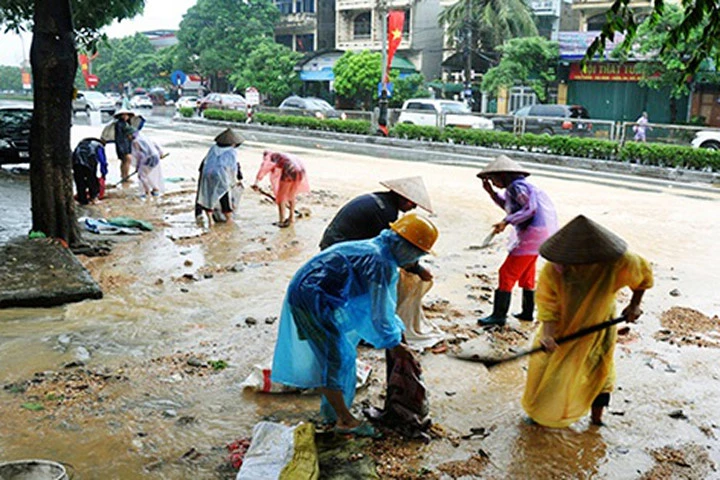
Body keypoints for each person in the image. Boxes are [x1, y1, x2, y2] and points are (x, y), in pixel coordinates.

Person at [271, 214, 438, 436]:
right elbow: (380, 314)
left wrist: (415, 268)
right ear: (405, 245)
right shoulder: (380, 262)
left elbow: (381, 308)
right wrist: (395, 344)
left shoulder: (382, 248)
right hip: (311, 299)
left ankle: (335, 410)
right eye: (417, 253)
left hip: (318, 293)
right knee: (334, 358)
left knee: (337, 353)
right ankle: (344, 420)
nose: (415, 258)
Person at [521, 215, 653, 427]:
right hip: (563, 326)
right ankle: (540, 413)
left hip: (599, 324)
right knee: (548, 369)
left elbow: (643, 277)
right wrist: (547, 334)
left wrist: (635, 304)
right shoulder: (554, 268)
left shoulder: (618, 261)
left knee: (599, 369)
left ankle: (597, 419)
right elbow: (548, 304)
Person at [319, 177, 441, 348]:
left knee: (350, 290)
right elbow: (390, 249)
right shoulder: (386, 212)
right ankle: (358, 329)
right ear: (405, 199)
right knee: (364, 291)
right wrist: (417, 269)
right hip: (339, 249)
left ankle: (344, 325)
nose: (412, 208)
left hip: (335, 245)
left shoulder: (381, 201)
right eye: (413, 204)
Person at [477, 155, 558, 326]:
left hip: (531, 234)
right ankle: (527, 312)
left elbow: (530, 209)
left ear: (502, 175)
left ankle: (499, 316)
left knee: (507, 272)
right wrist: (491, 193)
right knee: (527, 274)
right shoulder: (519, 186)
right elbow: (511, 206)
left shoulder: (516, 187)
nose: (494, 183)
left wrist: (506, 222)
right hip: (539, 235)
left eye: (494, 179)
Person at [195, 128, 245, 226]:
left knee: (207, 196)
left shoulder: (213, 148)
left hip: (206, 174)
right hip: (220, 175)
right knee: (224, 196)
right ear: (234, 143)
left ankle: (210, 221)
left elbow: (204, 163)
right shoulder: (231, 151)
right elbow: (233, 167)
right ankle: (229, 221)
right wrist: (236, 179)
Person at [252, 151, 309, 228]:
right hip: (300, 171)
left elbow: (265, 167)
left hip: (289, 169)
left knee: (281, 196)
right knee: (291, 194)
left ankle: (282, 220)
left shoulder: (270, 157)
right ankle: (291, 217)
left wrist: (256, 182)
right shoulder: (283, 156)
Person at [128, 129, 165, 198]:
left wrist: (138, 167)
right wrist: (160, 153)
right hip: (155, 157)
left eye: (128, 136)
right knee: (146, 175)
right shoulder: (143, 138)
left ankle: (147, 192)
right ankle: (155, 189)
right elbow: (155, 145)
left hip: (148, 159)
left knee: (141, 176)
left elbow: (139, 156)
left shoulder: (135, 142)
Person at [72, 137, 108, 205]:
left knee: (80, 182)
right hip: (89, 162)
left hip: (76, 162)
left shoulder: (82, 143)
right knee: (92, 180)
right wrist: (104, 173)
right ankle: (93, 198)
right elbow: (103, 161)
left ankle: (82, 200)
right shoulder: (99, 146)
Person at [113, 109, 136, 184]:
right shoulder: (120, 124)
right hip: (122, 145)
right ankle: (125, 176)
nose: (125, 116)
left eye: (127, 115)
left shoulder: (126, 124)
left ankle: (124, 176)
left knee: (125, 161)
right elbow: (120, 137)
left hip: (125, 144)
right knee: (127, 160)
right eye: (124, 115)